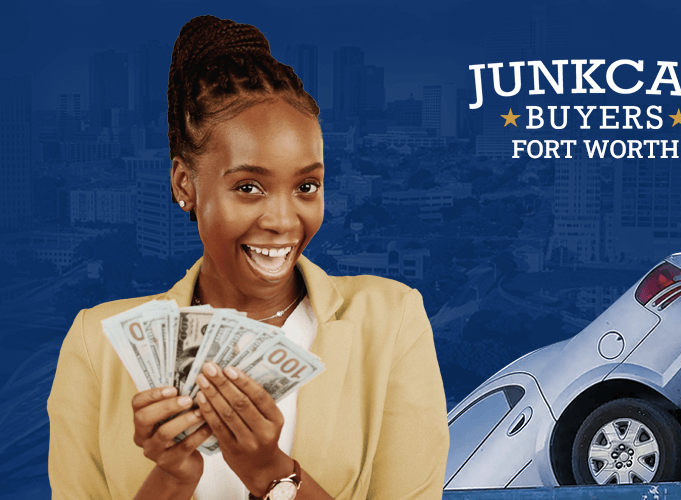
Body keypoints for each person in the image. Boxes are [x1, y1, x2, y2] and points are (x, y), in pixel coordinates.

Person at [47, 15, 449, 500]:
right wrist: (172, 480)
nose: (283, 220)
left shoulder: (390, 321)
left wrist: (270, 471)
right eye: (249, 187)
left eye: (306, 186)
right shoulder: (98, 347)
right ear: (183, 185)